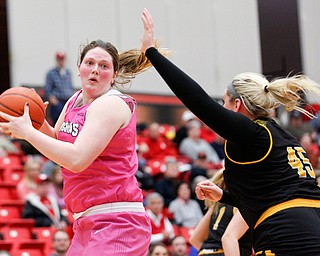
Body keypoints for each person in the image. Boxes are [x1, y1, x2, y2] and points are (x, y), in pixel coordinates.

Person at [140, 9, 320, 255]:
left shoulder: (253, 132)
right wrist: (225, 195)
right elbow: (274, 193)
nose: (222, 109)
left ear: (237, 105)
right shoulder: (282, 136)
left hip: (286, 233)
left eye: (224, 103)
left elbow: (199, 101)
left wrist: (152, 54)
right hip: (310, 226)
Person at [0, 39, 164, 255]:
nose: (95, 70)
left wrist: (28, 133)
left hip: (118, 222)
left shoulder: (111, 104)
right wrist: (36, 123)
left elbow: (76, 160)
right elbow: (58, 146)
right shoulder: (73, 101)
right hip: (85, 222)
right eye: (90, 63)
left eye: (104, 66)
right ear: (79, 69)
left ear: (114, 75)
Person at [189, 169, 252, 256]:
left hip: (204, 252)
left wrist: (210, 252)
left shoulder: (216, 205)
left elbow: (194, 239)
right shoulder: (245, 205)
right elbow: (228, 238)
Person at [44, 50, 75, 124]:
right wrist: (54, 101)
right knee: (57, 123)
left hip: (67, 101)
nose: (61, 61)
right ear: (57, 60)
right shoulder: (51, 73)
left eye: (62, 59)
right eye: (59, 59)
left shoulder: (68, 72)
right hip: (58, 102)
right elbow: (48, 89)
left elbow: (70, 86)